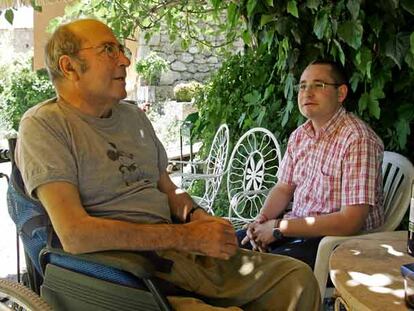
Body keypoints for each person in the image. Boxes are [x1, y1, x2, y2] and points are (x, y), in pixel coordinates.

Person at [16, 19, 320, 310]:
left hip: (177, 253)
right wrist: (187, 237)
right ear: (69, 67)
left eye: (121, 49)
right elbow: (75, 234)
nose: (125, 60)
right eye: (109, 49)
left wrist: (199, 218)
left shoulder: (133, 118)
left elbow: (169, 190)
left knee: (296, 279)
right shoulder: (46, 125)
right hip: (123, 274)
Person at [238, 60, 384, 269]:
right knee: (227, 247)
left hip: (335, 242)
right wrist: (263, 220)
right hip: (295, 229)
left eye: (319, 85)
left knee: (258, 270)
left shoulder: (357, 139)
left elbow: (350, 221)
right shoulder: (300, 136)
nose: (307, 92)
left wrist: (279, 227)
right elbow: (283, 188)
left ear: (341, 94)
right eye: (303, 85)